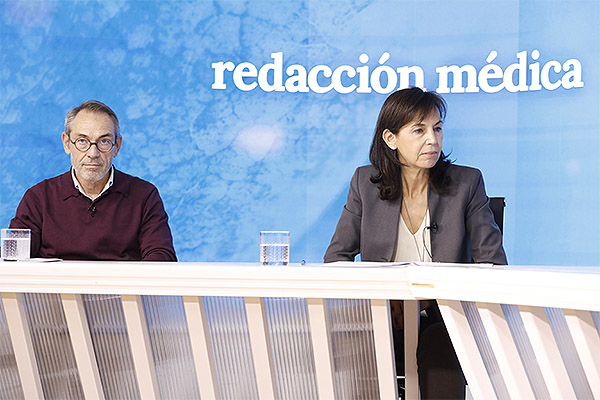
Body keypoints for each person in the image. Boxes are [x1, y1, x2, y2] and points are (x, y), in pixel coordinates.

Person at [324, 87, 507, 398]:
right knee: (361, 339)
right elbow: (336, 258)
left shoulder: (467, 182)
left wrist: (421, 301)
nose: (432, 140)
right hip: (382, 314)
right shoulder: (364, 183)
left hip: (445, 316)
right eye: (419, 130)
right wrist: (383, 298)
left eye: (437, 129)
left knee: (441, 342)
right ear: (390, 138)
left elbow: (492, 264)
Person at [9, 100, 177, 261]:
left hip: (121, 290)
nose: (93, 153)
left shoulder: (144, 196)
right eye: (82, 141)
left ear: (117, 146)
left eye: (104, 141)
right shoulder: (38, 198)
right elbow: (13, 261)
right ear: (67, 143)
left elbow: (161, 261)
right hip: (57, 290)